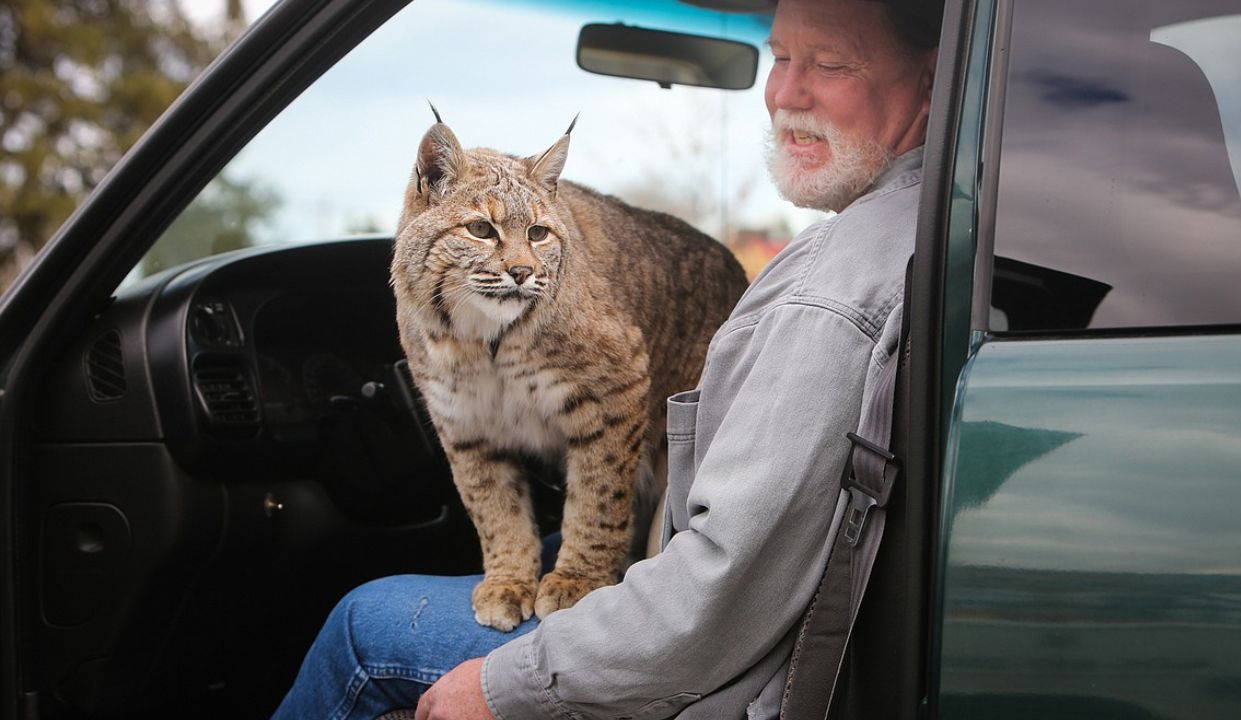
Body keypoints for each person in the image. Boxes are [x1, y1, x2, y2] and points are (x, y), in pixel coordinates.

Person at [273, 0, 940, 717]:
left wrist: (504, 689)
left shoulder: (830, 294)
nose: (783, 94)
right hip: (695, 606)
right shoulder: (915, 232)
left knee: (361, 626)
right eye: (779, 59)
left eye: (831, 63)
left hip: (709, 679)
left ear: (932, 83)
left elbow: (718, 594)